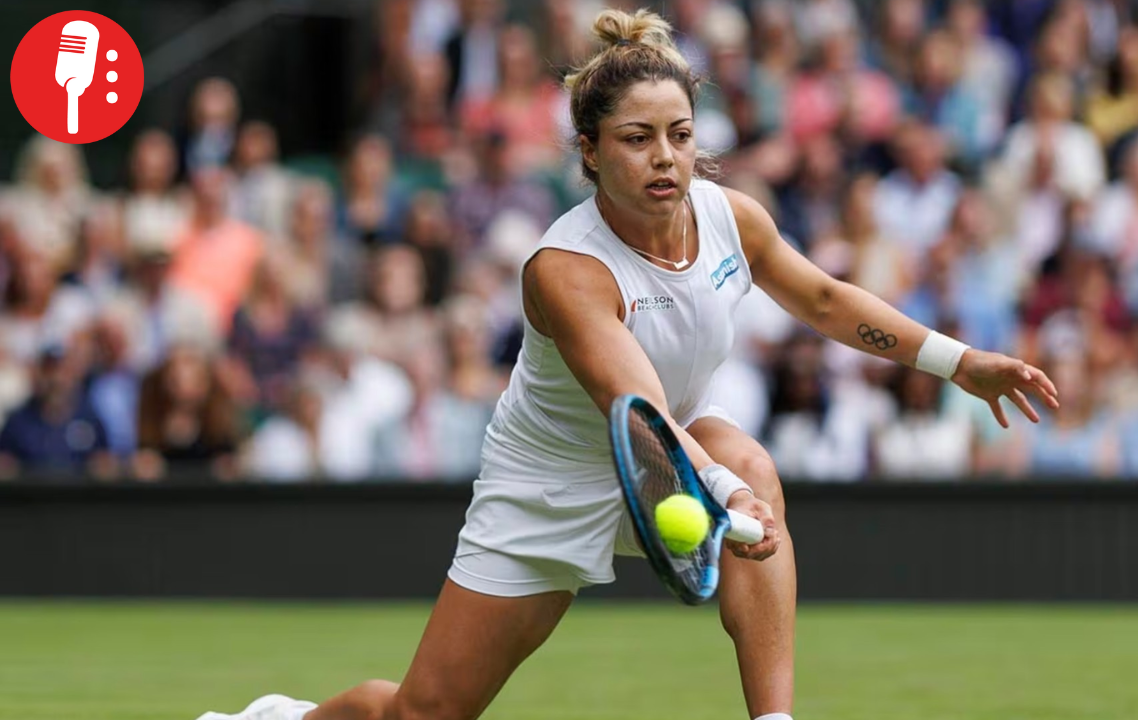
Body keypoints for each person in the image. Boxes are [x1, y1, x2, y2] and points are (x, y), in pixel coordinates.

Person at [197, 9, 1057, 720]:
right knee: (423, 715)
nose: (665, 157)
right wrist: (724, 493)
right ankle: (279, 719)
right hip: (549, 484)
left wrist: (958, 362)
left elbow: (827, 300)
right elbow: (636, 403)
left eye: (679, 135)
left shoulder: (730, 217)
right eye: (637, 139)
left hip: (673, 446)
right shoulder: (565, 270)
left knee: (753, 461)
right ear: (590, 151)